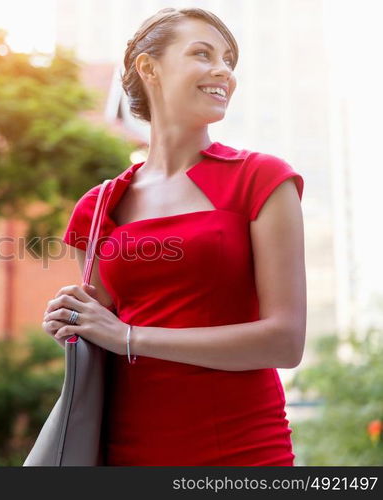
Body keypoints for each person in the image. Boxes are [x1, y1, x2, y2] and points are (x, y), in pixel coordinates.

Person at [41, 7, 306, 466]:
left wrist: (130, 336)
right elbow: (102, 335)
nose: (223, 71)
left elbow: (285, 341)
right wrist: (72, 323)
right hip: (126, 451)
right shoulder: (99, 205)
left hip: (242, 452)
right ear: (149, 68)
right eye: (203, 54)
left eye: (228, 60)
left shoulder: (260, 179)